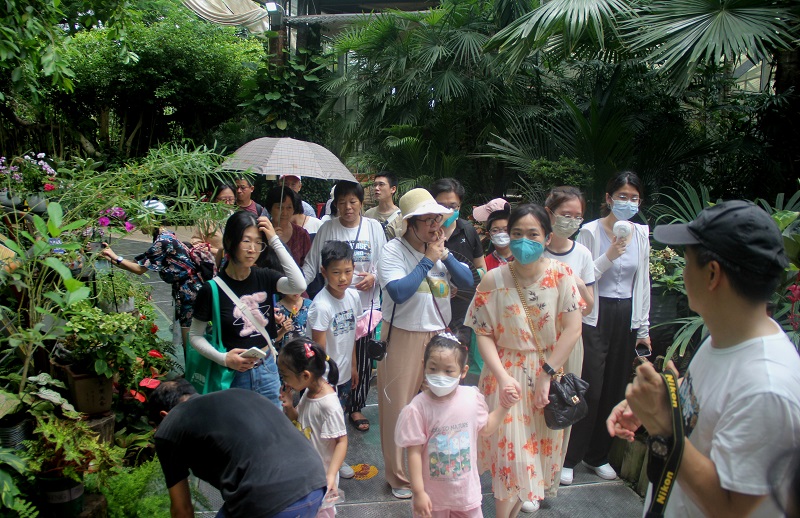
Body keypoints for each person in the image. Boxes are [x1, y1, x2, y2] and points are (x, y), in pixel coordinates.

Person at [607, 200, 800, 518]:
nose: (683, 274)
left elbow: (734, 510)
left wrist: (663, 426)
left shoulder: (767, 388)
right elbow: (712, 399)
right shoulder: (725, 338)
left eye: (687, 263)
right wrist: (658, 402)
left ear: (712, 274)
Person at [467, 203, 582, 516]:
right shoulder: (493, 279)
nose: (523, 241)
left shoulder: (561, 276)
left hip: (547, 375)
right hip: (504, 375)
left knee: (533, 460)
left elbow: (573, 329)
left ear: (547, 237)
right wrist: (503, 377)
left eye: (532, 234)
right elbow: (482, 332)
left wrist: (547, 374)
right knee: (510, 459)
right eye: (516, 233)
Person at [376, 188, 474, 499]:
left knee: (440, 406)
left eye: (437, 219)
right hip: (403, 334)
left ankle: (433, 471)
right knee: (398, 407)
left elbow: (468, 282)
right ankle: (398, 477)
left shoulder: (441, 251)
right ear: (410, 223)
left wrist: (444, 256)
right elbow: (399, 292)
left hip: (439, 335)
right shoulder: (393, 251)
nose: (435, 226)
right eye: (427, 220)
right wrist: (427, 260)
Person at [564, 171, 651, 483]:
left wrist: (643, 328)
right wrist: (610, 255)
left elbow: (643, 282)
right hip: (594, 314)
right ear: (608, 198)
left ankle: (598, 455)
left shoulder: (641, 234)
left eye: (634, 198)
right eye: (622, 196)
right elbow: (580, 278)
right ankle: (569, 457)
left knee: (615, 387)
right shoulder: (589, 232)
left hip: (626, 314)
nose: (628, 203)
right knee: (591, 386)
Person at [151, 379, 327, 518]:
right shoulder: (239, 394)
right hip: (315, 482)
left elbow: (182, 511)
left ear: (164, 416)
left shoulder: (170, 425)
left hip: (269, 500)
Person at [189, 211, 307, 407]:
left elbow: (299, 285)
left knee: (272, 424)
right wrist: (224, 359)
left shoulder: (265, 277)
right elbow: (195, 335)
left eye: (258, 243)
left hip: (267, 368)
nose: (252, 249)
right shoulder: (212, 290)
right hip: (233, 374)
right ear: (230, 241)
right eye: (246, 241)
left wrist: (274, 239)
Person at [395, 333, 519, 518]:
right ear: (424, 365)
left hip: (466, 496)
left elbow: (486, 428)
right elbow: (413, 453)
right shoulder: (417, 408)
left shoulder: (471, 398)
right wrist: (419, 492)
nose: (440, 376)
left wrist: (505, 406)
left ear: (463, 371)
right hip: (432, 500)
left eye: (448, 371)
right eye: (433, 368)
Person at [303, 181, 386, 432]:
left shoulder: (373, 227)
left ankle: (356, 406)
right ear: (335, 205)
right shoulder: (328, 228)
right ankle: (330, 401)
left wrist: (375, 277)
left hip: (365, 306)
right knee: (332, 352)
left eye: (353, 202)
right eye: (342, 202)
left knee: (361, 360)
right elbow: (312, 263)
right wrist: (296, 287)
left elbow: (385, 263)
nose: (348, 207)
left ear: (361, 203)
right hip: (333, 305)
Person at [541, 186, 595, 495]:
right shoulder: (535, 247)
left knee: (562, 405)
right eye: (565, 214)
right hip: (536, 339)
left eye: (578, 216)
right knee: (533, 405)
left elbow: (590, 306)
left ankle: (550, 479)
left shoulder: (583, 254)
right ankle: (529, 476)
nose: (572, 221)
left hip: (570, 339)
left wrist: (576, 282)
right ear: (549, 213)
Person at [101, 200, 201, 349]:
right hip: (186, 289)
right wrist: (110, 257)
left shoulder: (163, 241)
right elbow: (137, 262)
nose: (139, 226)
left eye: (141, 222)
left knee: (189, 336)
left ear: (152, 219)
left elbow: (139, 269)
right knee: (187, 332)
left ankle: (192, 364)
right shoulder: (164, 237)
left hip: (189, 291)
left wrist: (115, 257)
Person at [278, 338, 348, 518]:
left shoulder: (328, 405)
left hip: (321, 478)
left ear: (305, 375)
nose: (284, 381)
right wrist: (289, 406)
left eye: (285, 376)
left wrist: (331, 475)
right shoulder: (309, 392)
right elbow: (300, 421)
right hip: (307, 472)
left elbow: (342, 441)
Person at [429, 178, 486, 345]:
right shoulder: (425, 233)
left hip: (462, 312)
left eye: (452, 206)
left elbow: (481, 268)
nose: (447, 211)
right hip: (431, 311)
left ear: (460, 206)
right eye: (441, 205)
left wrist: (465, 280)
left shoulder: (468, 230)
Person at [264, 186, 311, 268]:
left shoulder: (301, 235)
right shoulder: (262, 232)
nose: (285, 213)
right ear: (270, 209)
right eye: (279, 207)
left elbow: (308, 265)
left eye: (289, 207)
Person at [191, 181, 236, 259]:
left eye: (231, 199)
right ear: (215, 199)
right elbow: (195, 244)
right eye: (223, 200)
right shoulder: (206, 219)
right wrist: (219, 252)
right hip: (213, 262)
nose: (227, 203)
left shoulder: (236, 217)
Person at [364, 171, 402, 240]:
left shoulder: (401, 216)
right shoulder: (368, 215)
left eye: (381, 184)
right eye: (375, 185)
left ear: (393, 189)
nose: (376, 188)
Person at [482, 203, 512, 271]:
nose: (501, 233)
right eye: (495, 230)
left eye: (506, 229)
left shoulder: (523, 258)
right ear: (488, 235)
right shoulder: (485, 264)